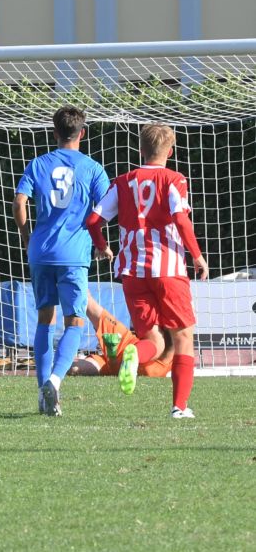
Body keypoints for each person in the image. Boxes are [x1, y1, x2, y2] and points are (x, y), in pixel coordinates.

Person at [86, 122, 208, 419]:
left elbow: (93, 221)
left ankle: (134, 353)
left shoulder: (123, 181)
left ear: (140, 150)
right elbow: (181, 219)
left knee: (154, 341)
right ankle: (179, 407)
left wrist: (101, 246)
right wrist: (197, 256)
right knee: (183, 337)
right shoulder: (174, 179)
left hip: (133, 272)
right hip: (168, 270)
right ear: (171, 151)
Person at [13, 105, 110, 417]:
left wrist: (27, 237)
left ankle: (44, 394)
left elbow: (19, 202)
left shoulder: (39, 164)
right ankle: (54, 382)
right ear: (83, 133)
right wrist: (100, 243)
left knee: (45, 319)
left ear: (55, 132)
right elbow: (105, 209)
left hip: (41, 253)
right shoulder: (92, 168)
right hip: (73, 255)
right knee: (75, 322)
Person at [69, 293, 173, 379]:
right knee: (74, 369)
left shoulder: (175, 363)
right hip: (117, 353)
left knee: (75, 369)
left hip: (115, 365)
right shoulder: (127, 341)